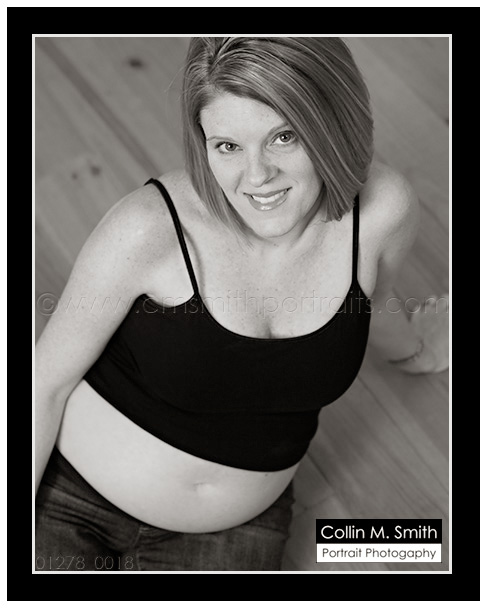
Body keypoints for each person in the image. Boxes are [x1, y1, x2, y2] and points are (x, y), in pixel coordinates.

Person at [35, 37, 448, 572]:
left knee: (427, 549)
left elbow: (372, 299)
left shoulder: (381, 211)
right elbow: (44, 384)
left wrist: (418, 350)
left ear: (334, 122)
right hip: (68, 498)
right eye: (227, 146)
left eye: (283, 136)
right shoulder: (148, 229)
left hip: (235, 533)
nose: (256, 177)